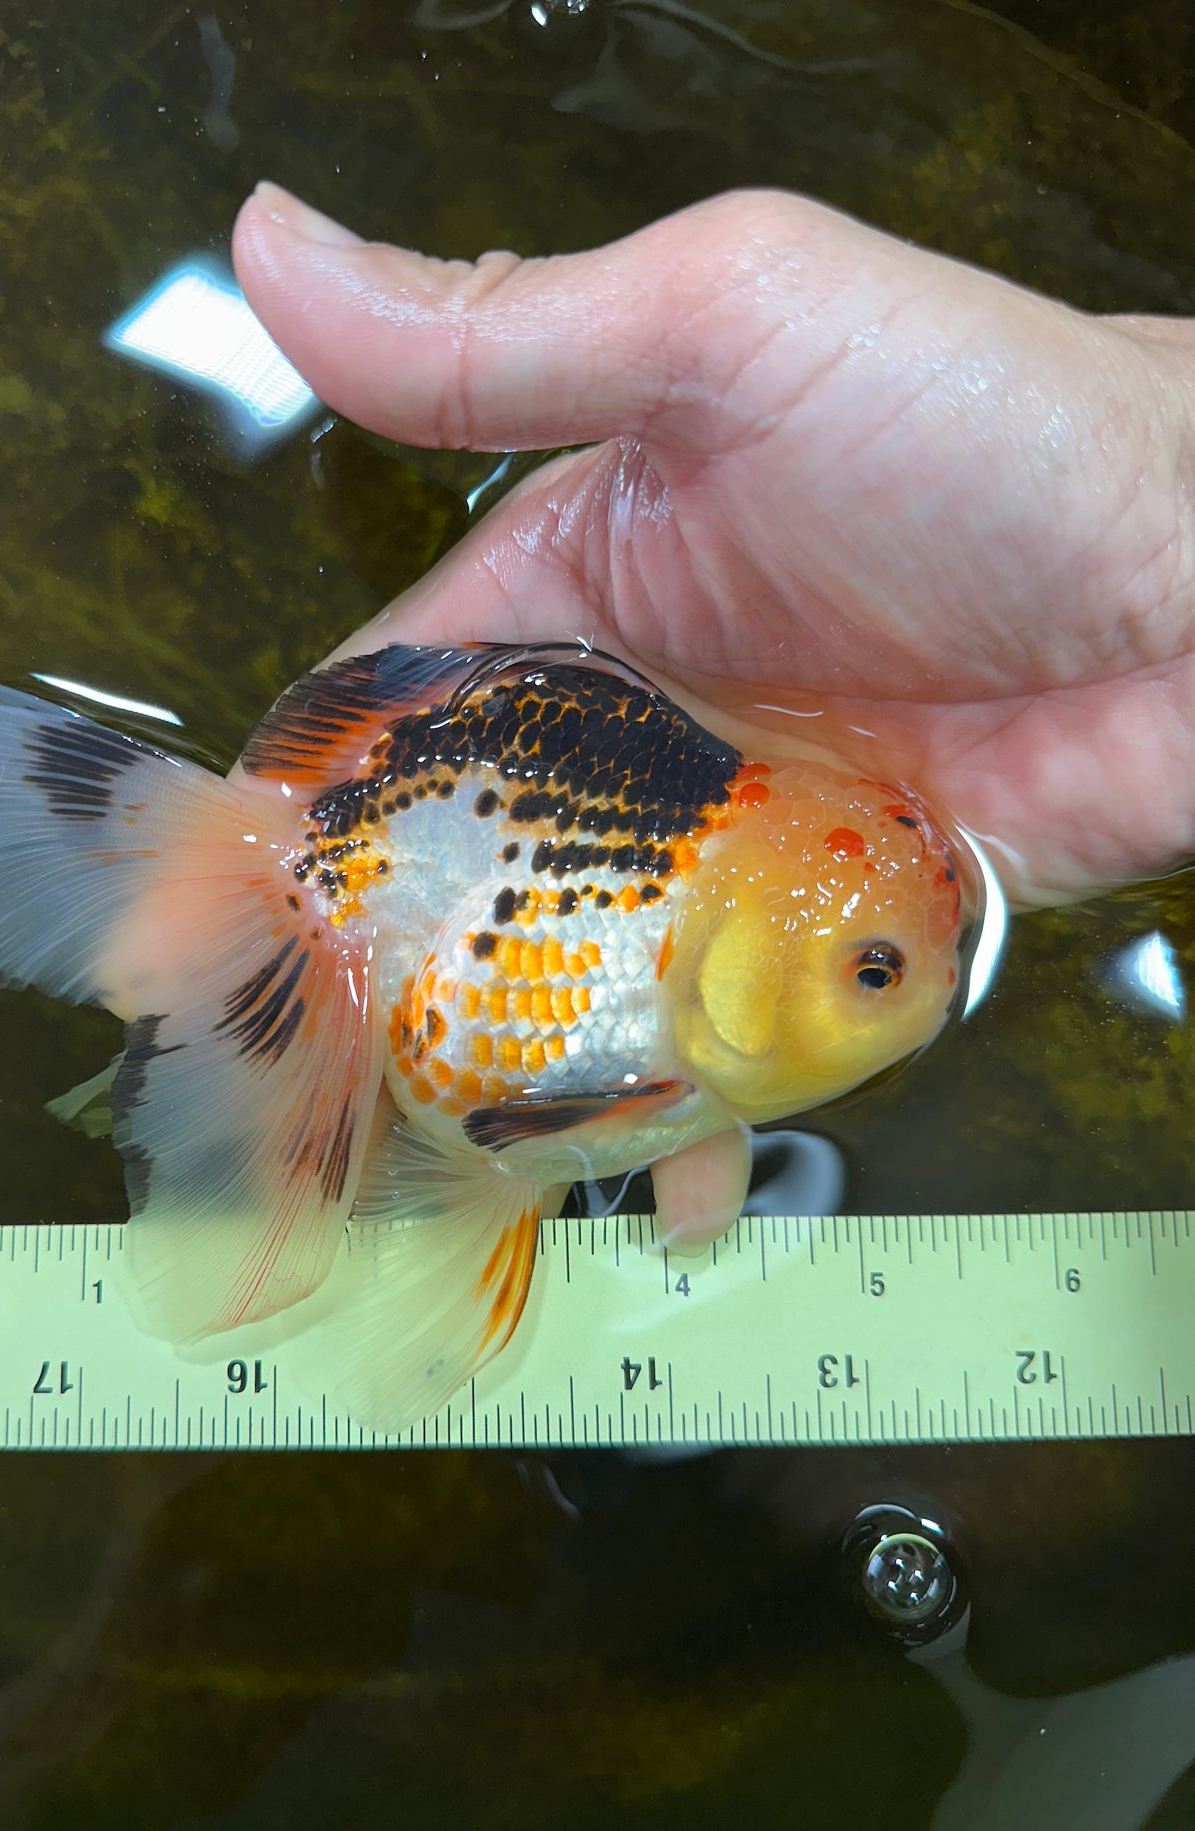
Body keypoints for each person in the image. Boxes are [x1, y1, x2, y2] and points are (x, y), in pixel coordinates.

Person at [232, 182, 1195, 1243]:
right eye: (869, 970)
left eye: (893, 961)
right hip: (400, 858)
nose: (933, 979)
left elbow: (518, 1131)